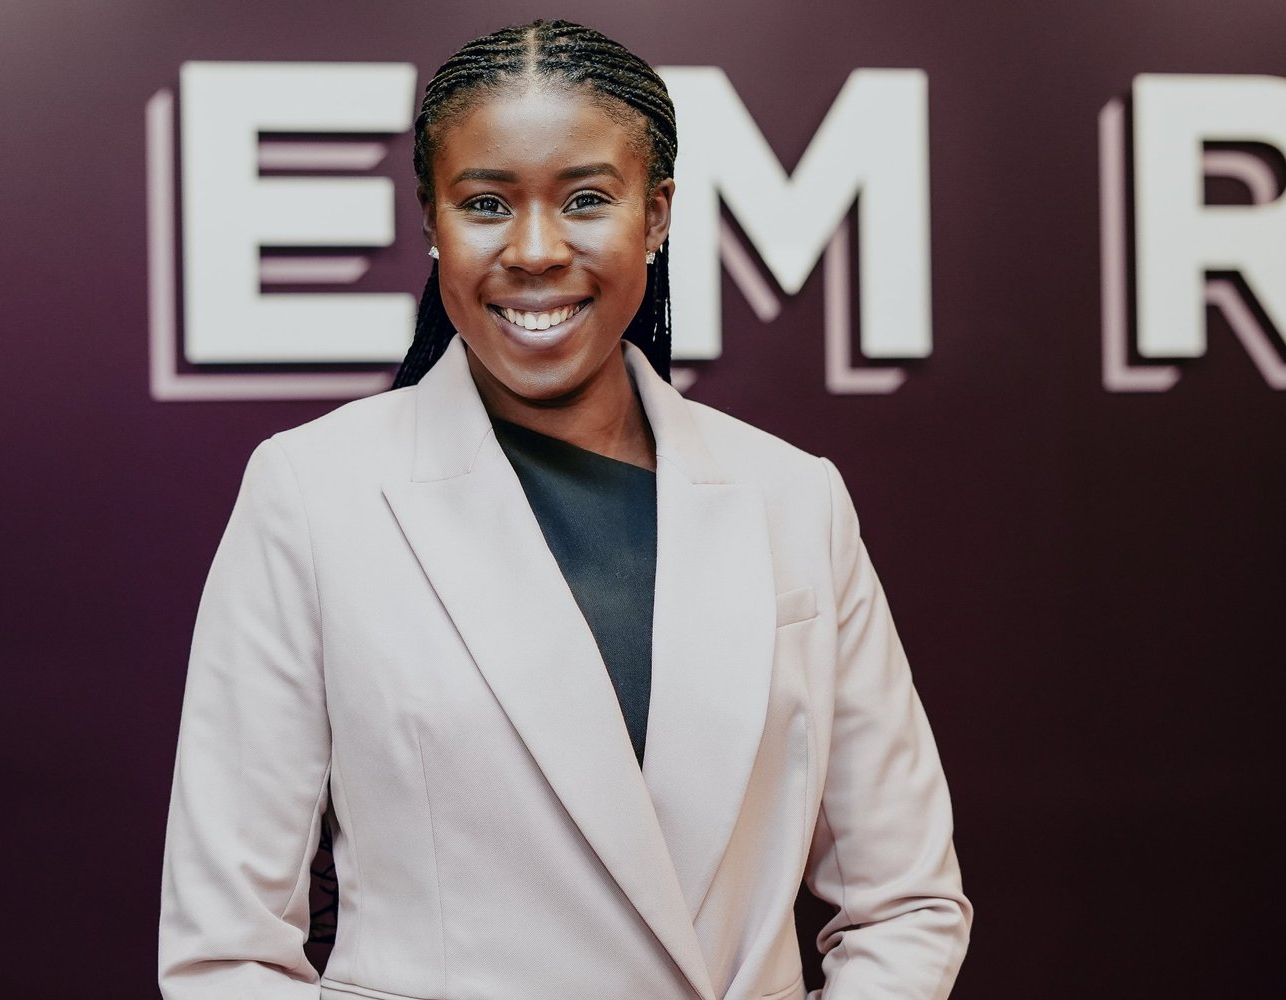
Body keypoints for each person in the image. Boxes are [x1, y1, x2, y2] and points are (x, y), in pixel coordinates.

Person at [159, 18, 970, 1000]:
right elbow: (226, 951)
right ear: (431, 221)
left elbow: (905, 903)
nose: (536, 250)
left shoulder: (794, 497)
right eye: (486, 203)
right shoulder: (313, 492)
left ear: (656, 214)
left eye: (586, 198)